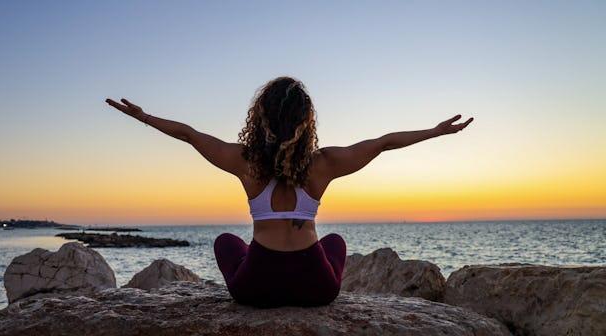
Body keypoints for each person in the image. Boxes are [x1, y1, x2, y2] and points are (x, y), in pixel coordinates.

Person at [106, 76, 473, 308]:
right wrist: (434, 131)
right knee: (336, 243)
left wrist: (143, 117)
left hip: (255, 289)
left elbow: (189, 134)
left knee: (225, 242)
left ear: (259, 118)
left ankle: (258, 259)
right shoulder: (324, 163)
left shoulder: (244, 161)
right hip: (316, 288)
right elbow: (384, 143)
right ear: (306, 122)